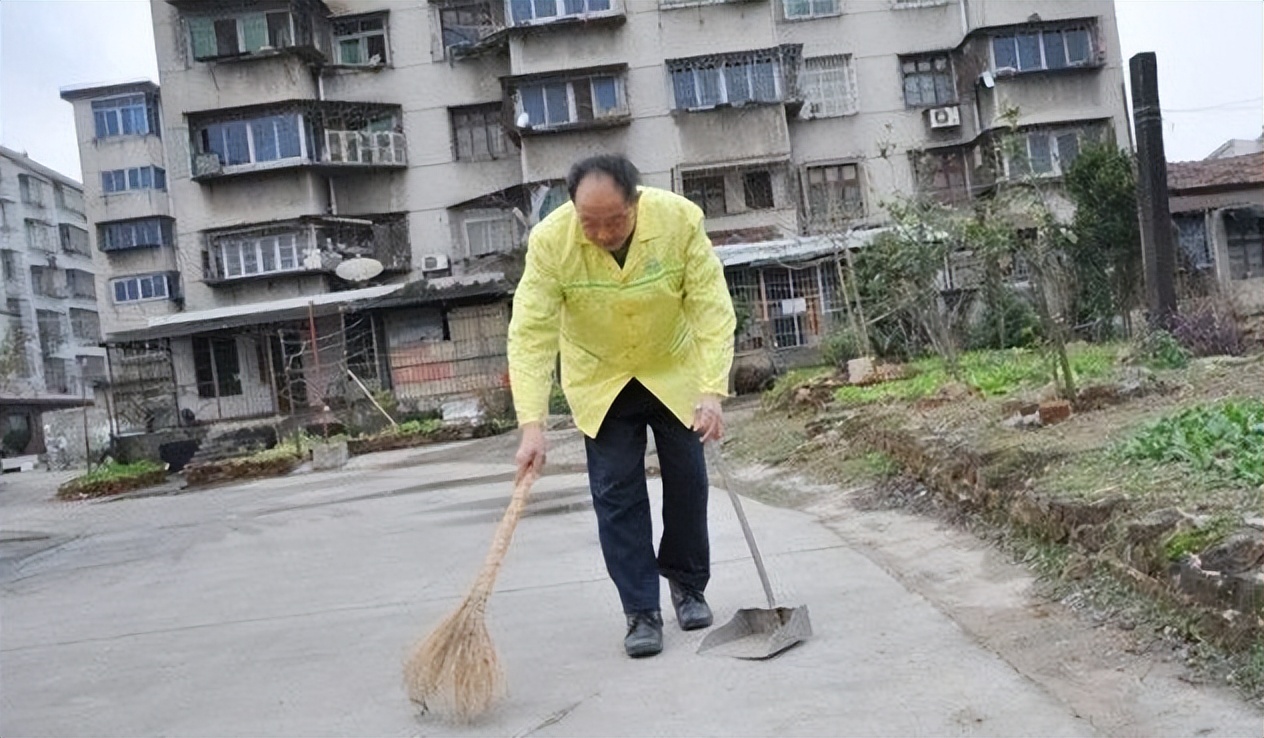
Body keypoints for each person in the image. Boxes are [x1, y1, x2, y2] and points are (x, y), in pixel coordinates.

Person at [507, 154, 736, 658]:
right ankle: (640, 611)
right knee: (616, 494)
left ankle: (687, 584)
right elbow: (531, 335)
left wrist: (711, 389)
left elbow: (711, 308)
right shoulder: (550, 242)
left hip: (672, 367)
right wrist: (532, 424)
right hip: (600, 375)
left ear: (636, 202)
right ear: (573, 210)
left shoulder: (679, 219)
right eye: (590, 222)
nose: (603, 232)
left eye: (615, 220)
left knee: (688, 479)